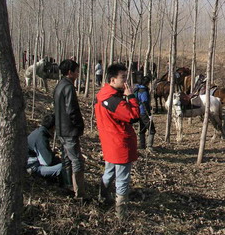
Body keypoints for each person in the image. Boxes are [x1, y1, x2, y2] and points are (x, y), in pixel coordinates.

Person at [95, 63, 140, 219]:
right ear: (112, 80)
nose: (126, 81)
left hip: (109, 143)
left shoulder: (103, 94)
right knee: (122, 179)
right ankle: (121, 214)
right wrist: (131, 97)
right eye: (123, 78)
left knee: (109, 173)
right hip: (120, 145)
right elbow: (133, 116)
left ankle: (102, 199)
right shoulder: (114, 101)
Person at [54, 59, 86, 198]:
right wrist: (79, 125)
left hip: (61, 128)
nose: (78, 73)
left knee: (66, 159)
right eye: (77, 71)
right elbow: (71, 109)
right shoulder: (68, 87)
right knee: (76, 160)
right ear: (70, 72)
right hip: (69, 130)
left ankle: (67, 186)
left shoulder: (59, 85)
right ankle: (79, 193)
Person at [27, 114, 69, 186]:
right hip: (33, 167)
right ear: (53, 127)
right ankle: (65, 188)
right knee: (63, 167)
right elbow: (47, 162)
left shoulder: (38, 132)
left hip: (32, 164)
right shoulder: (41, 138)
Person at [133, 75, 156, 150]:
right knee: (151, 129)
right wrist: (149, 114)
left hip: (139, 111)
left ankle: (142, 145)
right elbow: (145, 102)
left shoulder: (137, 89)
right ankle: (149, 146)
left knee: (142, 129)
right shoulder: (144, 91)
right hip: (143, 112)